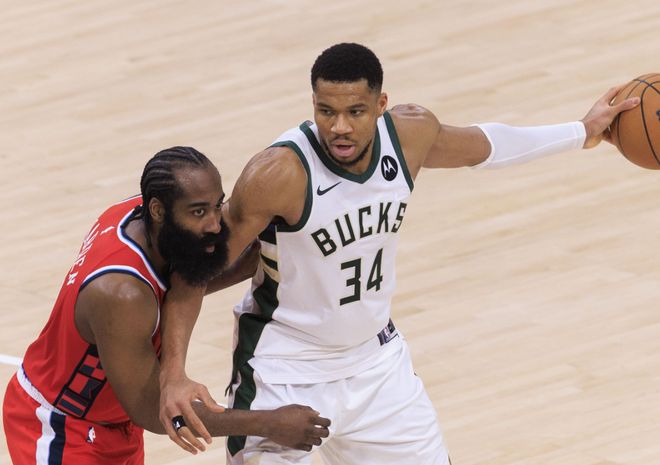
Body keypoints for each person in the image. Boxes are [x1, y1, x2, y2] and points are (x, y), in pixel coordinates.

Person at [157, 44, 641, 465]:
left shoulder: (410, 135)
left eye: (356, 112)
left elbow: (486, 146)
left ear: (381, 105)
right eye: (326, 111)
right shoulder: (278, 173)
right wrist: (173, 375)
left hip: (376, 364)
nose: (340, 127)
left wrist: (580, 131)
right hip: (285, 368)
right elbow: (194, 272)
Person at [2, 146, 330, 465]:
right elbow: (153, 410)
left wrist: (235, 268)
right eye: (199, 212)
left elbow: (168, 285)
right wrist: (268, 423)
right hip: (61, 425)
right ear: (158, 210)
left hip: (113, 418)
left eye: (217, 205)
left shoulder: (135, 214)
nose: (215, 224)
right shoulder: (121, 295)